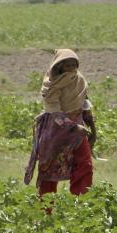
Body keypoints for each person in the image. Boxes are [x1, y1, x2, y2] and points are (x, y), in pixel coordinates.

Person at [24, 49, 97, 202]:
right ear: (59, 67)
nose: (71, 68)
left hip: (77, 128)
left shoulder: (79, 80)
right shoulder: (52, 86)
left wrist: (90, 122)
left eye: (74, 64)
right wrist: (73, 127)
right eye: (67, 65)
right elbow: (55, 113)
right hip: (55, 131)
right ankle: (45, 211)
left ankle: (81, 202)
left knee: (85, 165)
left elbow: (84, 101)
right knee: (49, 171)